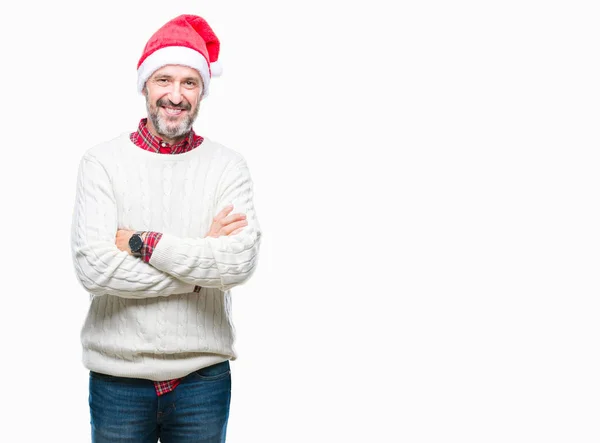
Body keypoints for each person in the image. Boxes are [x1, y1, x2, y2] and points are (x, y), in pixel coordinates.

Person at [70, 14, 261, 443]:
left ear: (202, 92)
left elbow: (239, 262)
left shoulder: (228, 166)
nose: (175, 95)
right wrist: (197, 270)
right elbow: (94, 270)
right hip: (118, 379)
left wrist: (143, 242)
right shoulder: (101, 163)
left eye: (189, 83)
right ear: (144, 86)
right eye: (163, 80)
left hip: (202, 379)